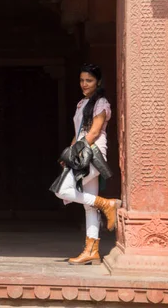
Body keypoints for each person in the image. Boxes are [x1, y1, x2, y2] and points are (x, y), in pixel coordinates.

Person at [54, 63, 121, 265]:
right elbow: (78, 134)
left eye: (89, 80)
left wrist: (75, 154)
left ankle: (106, 203)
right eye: (82, 80)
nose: (84, 84)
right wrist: (68, 155)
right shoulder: (83, 103)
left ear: (98, 82)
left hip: (91, 154)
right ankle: (92, 250)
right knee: (88, 205)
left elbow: (92, 133)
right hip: (80, 152)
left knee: (62, 190)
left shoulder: (101, 103)